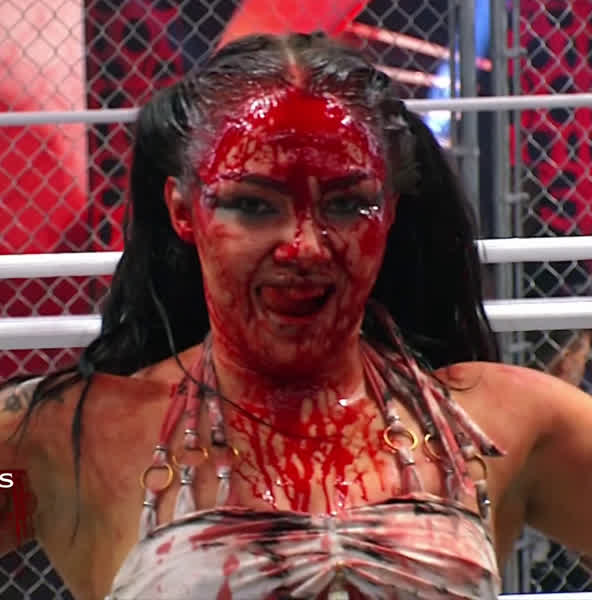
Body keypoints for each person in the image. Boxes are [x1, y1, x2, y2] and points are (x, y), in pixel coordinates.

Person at [1, 32, 592, 600]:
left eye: (347, 204)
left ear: (389, 211)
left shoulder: (507, 423)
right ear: (184, 212)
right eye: (253, 205)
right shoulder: (71, 437)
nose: (304, 247)